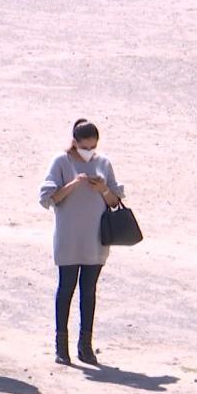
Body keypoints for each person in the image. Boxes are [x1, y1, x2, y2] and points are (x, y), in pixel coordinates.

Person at [38, 118, 124, 366]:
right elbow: (48, 198)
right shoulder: (61, 162)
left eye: (93, 146)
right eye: (85, 146)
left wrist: (103, 189)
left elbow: (114, 201)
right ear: (74, 143)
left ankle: (85, 346)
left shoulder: (104, 163)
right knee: (66, 289)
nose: (89, 151)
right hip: (68, 237)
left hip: (95, 238)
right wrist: (73, 184)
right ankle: (61, 346)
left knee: (89, 291)